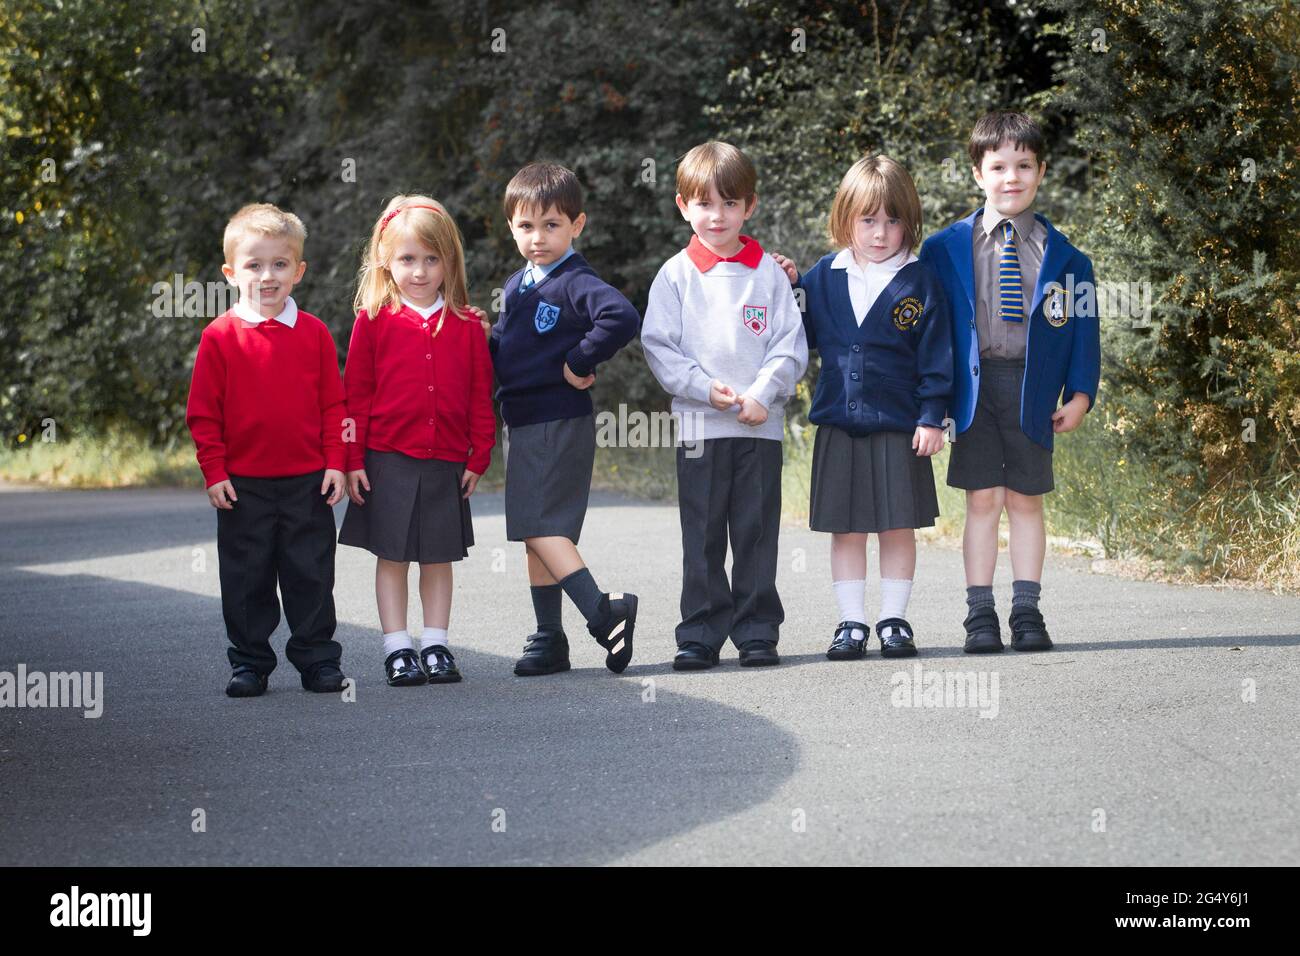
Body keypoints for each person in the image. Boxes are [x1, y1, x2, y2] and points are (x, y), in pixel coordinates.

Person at [919, 110, 1100, 652]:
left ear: (1041, 171)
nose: (1011, 177)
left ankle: (1027, 612)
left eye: (1023, 165)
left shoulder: (1068, 258)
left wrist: (1082, 394)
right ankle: (979, 615)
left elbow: (1084, 332)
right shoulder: (944, 248)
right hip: (972, 392)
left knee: (1025, 500)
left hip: (1034, 390)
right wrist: (930, 401)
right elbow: (927, 329)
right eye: (998, 166)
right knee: (981, 501)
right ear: (978, 173)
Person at [772, 154, 953, 659]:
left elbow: (938, 355)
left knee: (897, 526)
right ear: (845, 218)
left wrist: (932, 414)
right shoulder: (823, 276)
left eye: (893, 221)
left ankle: (894, 619)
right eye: (868, 220)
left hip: (901, 426)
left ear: (908, 222)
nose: (880, 233)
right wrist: (786, 287)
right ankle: (851, 622)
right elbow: (796, 334)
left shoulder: (920, 280)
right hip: (838, 424)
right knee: (846, 529)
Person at [641, 142, 808, 671]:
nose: (717, 216)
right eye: (705, 203)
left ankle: (757, 630)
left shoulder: (770, 274)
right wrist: (701, 388)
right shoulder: (675, 275)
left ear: (749, 206)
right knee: (704, 533)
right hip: (698, 427)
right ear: (682, 206)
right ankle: (701, 633)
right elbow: (659, 345)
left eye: (729, 204)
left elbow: (789, 343)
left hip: (759, 428)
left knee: (756, 532)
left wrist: (762, 392)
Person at [186, 203, 348, 697]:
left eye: (280, 264)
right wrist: (215, 472)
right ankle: (250, 663)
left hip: (307, 481)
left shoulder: (315, 333)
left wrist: (336, 463)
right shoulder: (219, 338)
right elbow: (203, 414)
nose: (268, 275)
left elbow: (334, 405)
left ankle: (318, 660)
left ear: (298, 271)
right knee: (246, 578)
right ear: (231, 273)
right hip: (243, 485)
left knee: (311, 576)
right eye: (254, 265)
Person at [490, 162, 641, 676]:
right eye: (526, 226)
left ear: (577, 225)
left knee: (540, 526)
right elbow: (509, 347)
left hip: (557, 418)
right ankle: (550, 638)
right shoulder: (517, 285)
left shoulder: (576, 281)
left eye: (551, 225)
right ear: (511, 227)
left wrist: (580, 361)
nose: (538, 238)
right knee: (538, 533)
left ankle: (604, 613)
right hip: (524, 420)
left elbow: (621, 317)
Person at [338, 196, 496, 686]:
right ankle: (397, 648)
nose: (421, 271)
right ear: (386, 259)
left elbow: (480, 396)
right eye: (408, 259)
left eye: (432, 259)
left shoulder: (468, 325)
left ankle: (436, 644)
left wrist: (480, 453)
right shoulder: (373, 319)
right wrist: (352, 458)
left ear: (450, 261)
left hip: (446, 460)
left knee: (437, 557)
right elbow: (355, 395)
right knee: (392, 557)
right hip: (387, 458)